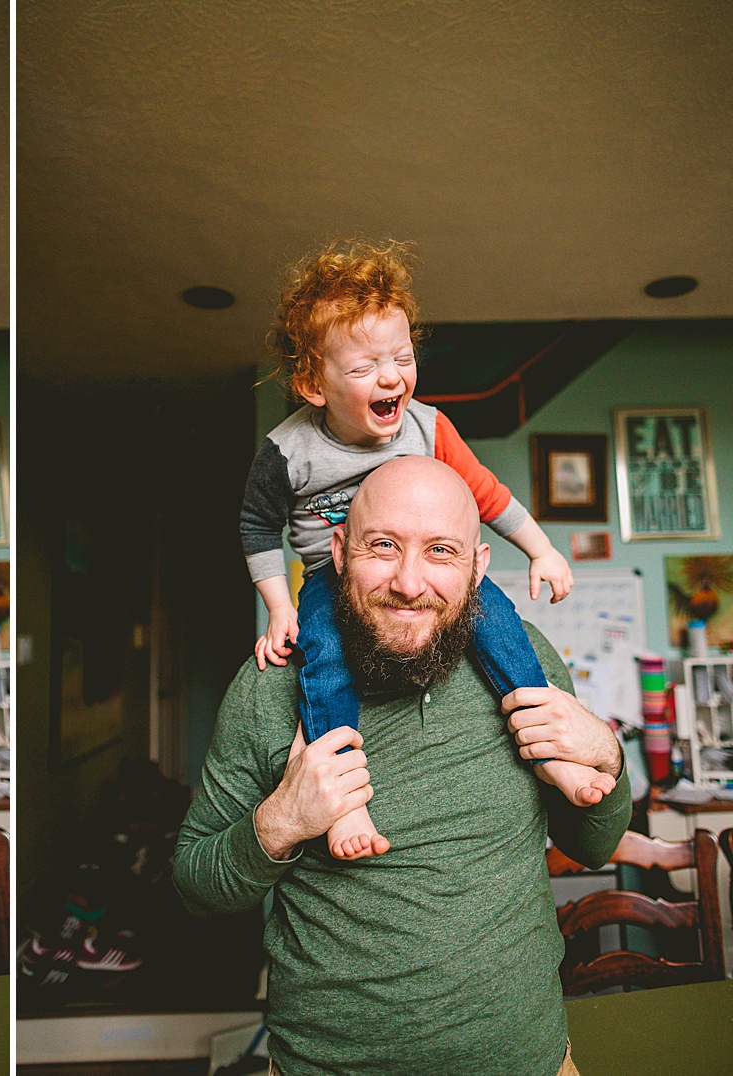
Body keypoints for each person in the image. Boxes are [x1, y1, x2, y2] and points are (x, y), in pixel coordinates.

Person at [178, 456, 631, 1076]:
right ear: (337, 551)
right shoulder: (269, 689)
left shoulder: (529, 663)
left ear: (478, 568)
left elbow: (594, 844)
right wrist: (280, 821)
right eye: (383, 546)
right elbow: (195, 885)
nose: (409, 582)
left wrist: (606, 751)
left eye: (441, 551)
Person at [240, 238, 610, 860]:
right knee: (325, 659)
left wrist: (542, 549)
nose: (391, 378)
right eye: (363, 369)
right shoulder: (287, 452)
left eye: (403, 358)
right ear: (312, 383)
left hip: (445, 586)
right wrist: (280, 608)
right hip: (335, 580)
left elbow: (488, 496)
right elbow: (256, 529)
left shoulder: (428, 428)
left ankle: (552, 755)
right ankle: (344, 796)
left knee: (502, 626)